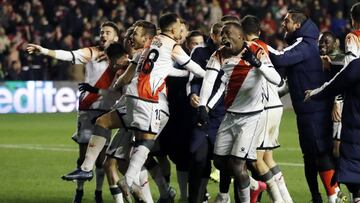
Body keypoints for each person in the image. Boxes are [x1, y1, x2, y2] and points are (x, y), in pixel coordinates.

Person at [26, 21, 121, 203]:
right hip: (87, 108)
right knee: (83, 155)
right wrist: (44, 50)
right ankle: (79, 192)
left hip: (107, 110)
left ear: (116, 37)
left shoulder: (121, 57)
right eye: (101, 32)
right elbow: (69, 55)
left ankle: (98, 193)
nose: (103, 35)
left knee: (101, 158)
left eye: (107, 32)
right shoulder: (92, 52)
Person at [198, 22, 281, 203]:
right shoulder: (218, 54)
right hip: (230, 115)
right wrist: (202, 105)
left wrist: (258, 64)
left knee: (237, 164)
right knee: (219, 161)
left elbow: (277, 79)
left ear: (241, 37)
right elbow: (209, 80)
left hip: (252, 117)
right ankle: (253, 184)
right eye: (222, 34)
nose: (224, 37)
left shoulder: (256, 50)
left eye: (229, 34)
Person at [268, 10, 340, 203]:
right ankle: (316, 197)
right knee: (310, 156)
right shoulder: (305, 43)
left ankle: (335, 198)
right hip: (306, 111)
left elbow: (279, 58)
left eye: (286, 21)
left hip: (314, 110)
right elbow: (287, 78)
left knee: (322, 153)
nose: (283, 25)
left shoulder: (305, 44)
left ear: (297, 25)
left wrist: (258, 45)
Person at [241, 15, 292, 203]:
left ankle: (278, 200)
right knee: (268, 158)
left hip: (264, 106)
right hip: (275, 105)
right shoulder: (263, 47)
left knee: (255, 159)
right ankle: (286, 199)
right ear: (259, 32)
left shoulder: (247, 49)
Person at [304, 58, 360, 203]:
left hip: (355, 132)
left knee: (352, 171)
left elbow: (336, 84)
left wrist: (315, 94)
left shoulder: (357, 66)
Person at [187, 22, 224, 203]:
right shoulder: (200, 52)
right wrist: (192, 94)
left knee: (228, 163)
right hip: (201, 114)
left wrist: (207, 104)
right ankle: (196, 199)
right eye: (216, 34)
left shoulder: (232, 53)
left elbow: (224, 85)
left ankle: (229, 196)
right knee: (198, 159)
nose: (220, 38)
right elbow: (192, 78)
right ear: (212, 34)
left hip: (222, 115)